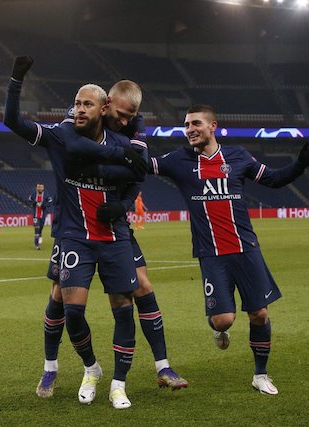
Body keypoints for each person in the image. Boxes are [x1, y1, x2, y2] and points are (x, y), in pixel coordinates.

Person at [4, 56, 149, 409]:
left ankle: (118, 384)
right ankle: (91, 368)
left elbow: (139, 171)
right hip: (73, 237)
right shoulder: (60, 136)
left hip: (113, 236)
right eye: (77, 103)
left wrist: (125, 204)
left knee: (123, 308)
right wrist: (16, 81)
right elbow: (13, 122)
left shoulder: (120, 139)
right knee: (71, 311)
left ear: (104, 109)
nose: (79, 109)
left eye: (88, 104)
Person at [150, 104, 309, 395]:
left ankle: (260, 375)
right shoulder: (179, 160)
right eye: (186, 125)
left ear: (212, 126)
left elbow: (274, 179)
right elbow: (141, 164)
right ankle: (217, 327)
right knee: (224, 319)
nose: (190, 129)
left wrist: (300, 165)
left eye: (196, 123)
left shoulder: (238, 156)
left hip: (246, 248)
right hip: (211, 254)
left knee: (260, 314)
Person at [36, 80, 187, 401]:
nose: (123, 121)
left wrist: (124, 203)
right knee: (60, 295)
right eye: (120, 114)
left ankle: (163, 366)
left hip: (114, 225)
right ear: (105, 106)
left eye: (130, 117)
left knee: (142, 286)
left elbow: (139, 170)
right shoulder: (78, 118)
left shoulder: (129, 128)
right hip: (71, 223)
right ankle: (51, 367)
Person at [29, 183, 53, 250]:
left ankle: (39, 236)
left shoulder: (46, 195)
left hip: (43, 215)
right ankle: (36, 245)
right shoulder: (33, 194)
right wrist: (34, 203)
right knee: (37, 228)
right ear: (36, 188)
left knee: (40, 229)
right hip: (35, 215)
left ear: (43, 188)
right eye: (38, 187)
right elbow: (29, 200)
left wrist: (43, 205)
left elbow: (50, 202)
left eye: (41, 187)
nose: (40, 188)